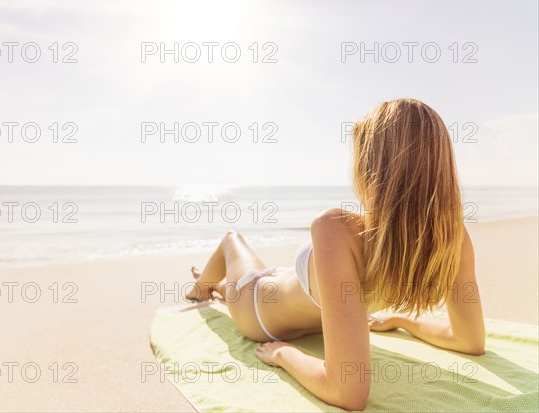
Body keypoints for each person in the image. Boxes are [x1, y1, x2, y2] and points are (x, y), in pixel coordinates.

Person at [185, 98, 485, 410]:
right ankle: (202, 289)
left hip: (261, 318)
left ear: (371, 166)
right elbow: (470, 340)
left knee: (234, 241)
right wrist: (402, 320)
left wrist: (281, 354)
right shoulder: (453, 238)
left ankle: (208, 287)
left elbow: (347, 394)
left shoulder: (337, 228)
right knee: (237, 253)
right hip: (260, 296)